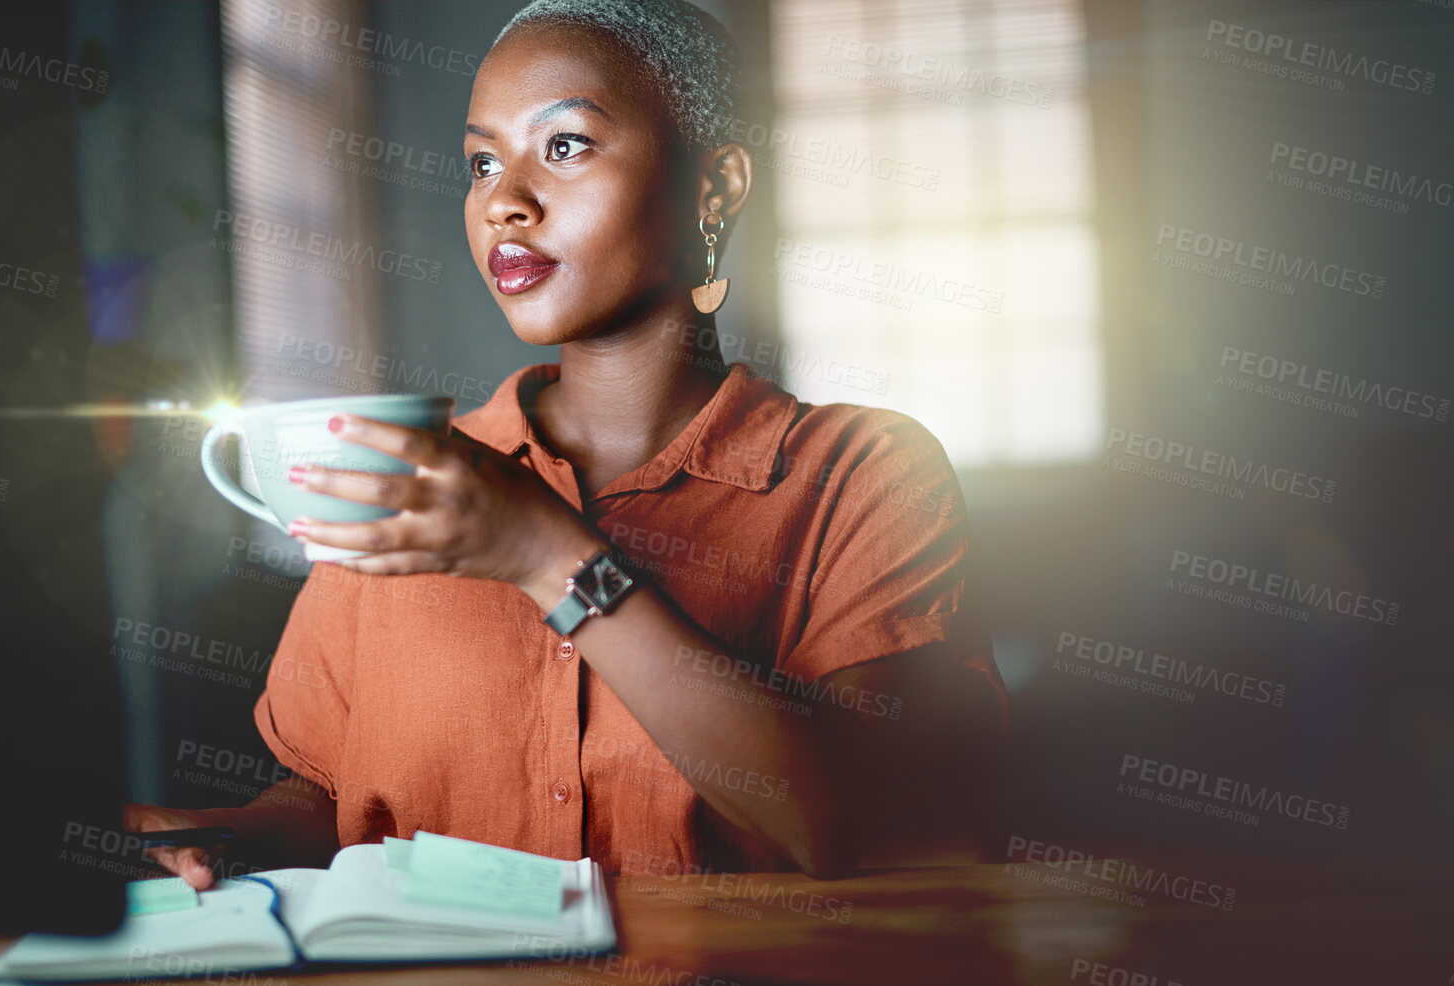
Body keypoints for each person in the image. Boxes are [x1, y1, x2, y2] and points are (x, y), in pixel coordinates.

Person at [126, 0, 1004, 888]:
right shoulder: (410, 477)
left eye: (566, 146)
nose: (503, 202)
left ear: (714, 187)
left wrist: (547, 555)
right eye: (481, 162)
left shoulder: (860, 476)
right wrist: (229, 836)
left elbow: (848, 823)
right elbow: (331, 794)